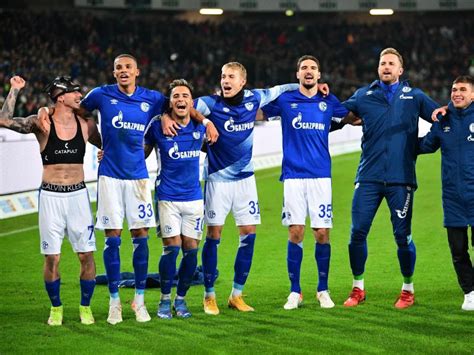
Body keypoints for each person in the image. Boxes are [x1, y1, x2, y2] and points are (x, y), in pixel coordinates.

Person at [341, 48, 439, 309]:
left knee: (402, 236)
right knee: (357, 233)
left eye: (391, 63)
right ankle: (357, 287)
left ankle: (408, 289)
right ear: (378, 69)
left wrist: (420, 146)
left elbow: (440, 119)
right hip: (369, 177)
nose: (386, 67)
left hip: (401, 178)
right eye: (382, 63)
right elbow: (335, 116)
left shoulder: (414, 96)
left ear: (400, 70)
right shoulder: (364, 95)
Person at [0, 75, 101, 326]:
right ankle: (56, 307)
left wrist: (106, 151)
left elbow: (109, 144)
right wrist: (14, 89)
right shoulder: (40, 122)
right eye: (75, 92)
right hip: (51, 196)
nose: (80, 95)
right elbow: (3, 120)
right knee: (52, 257)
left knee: (86, 255)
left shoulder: (87, 124)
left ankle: (85, 307)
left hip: (78, 195)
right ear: (60, 97)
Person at [260, 55, 352, 310]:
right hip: (293, 176)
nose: (308, 71)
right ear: (297, 74)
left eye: (313, 68)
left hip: (321, 176)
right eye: (304, 68)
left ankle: (323, 289)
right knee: (295, 231)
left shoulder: (329, 101)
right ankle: (295, 291)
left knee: (322, 233)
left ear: (319, 75)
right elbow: (256, 112)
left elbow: (352, 117)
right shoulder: (286, 100)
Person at [144, 79, 206, 319]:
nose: (181, 100)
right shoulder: (158, 127)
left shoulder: (200, 127)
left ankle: (180, 301)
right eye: (176, 96)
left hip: (194, 198)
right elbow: (141, 154)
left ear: (191, 102)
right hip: (167, 197)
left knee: (191, 251)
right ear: (169, 102)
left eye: (185, 96)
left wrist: (208, 122)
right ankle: (164, 300)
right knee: (172, 248)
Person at [418, 75, 474, 311]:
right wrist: (393, 140)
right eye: (453, 89)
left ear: (473, 95)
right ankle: (470, 292)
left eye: (462, 89)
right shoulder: (443, 120)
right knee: (458, 251)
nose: (456, 93)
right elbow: (424, 145)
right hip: (452, 198)